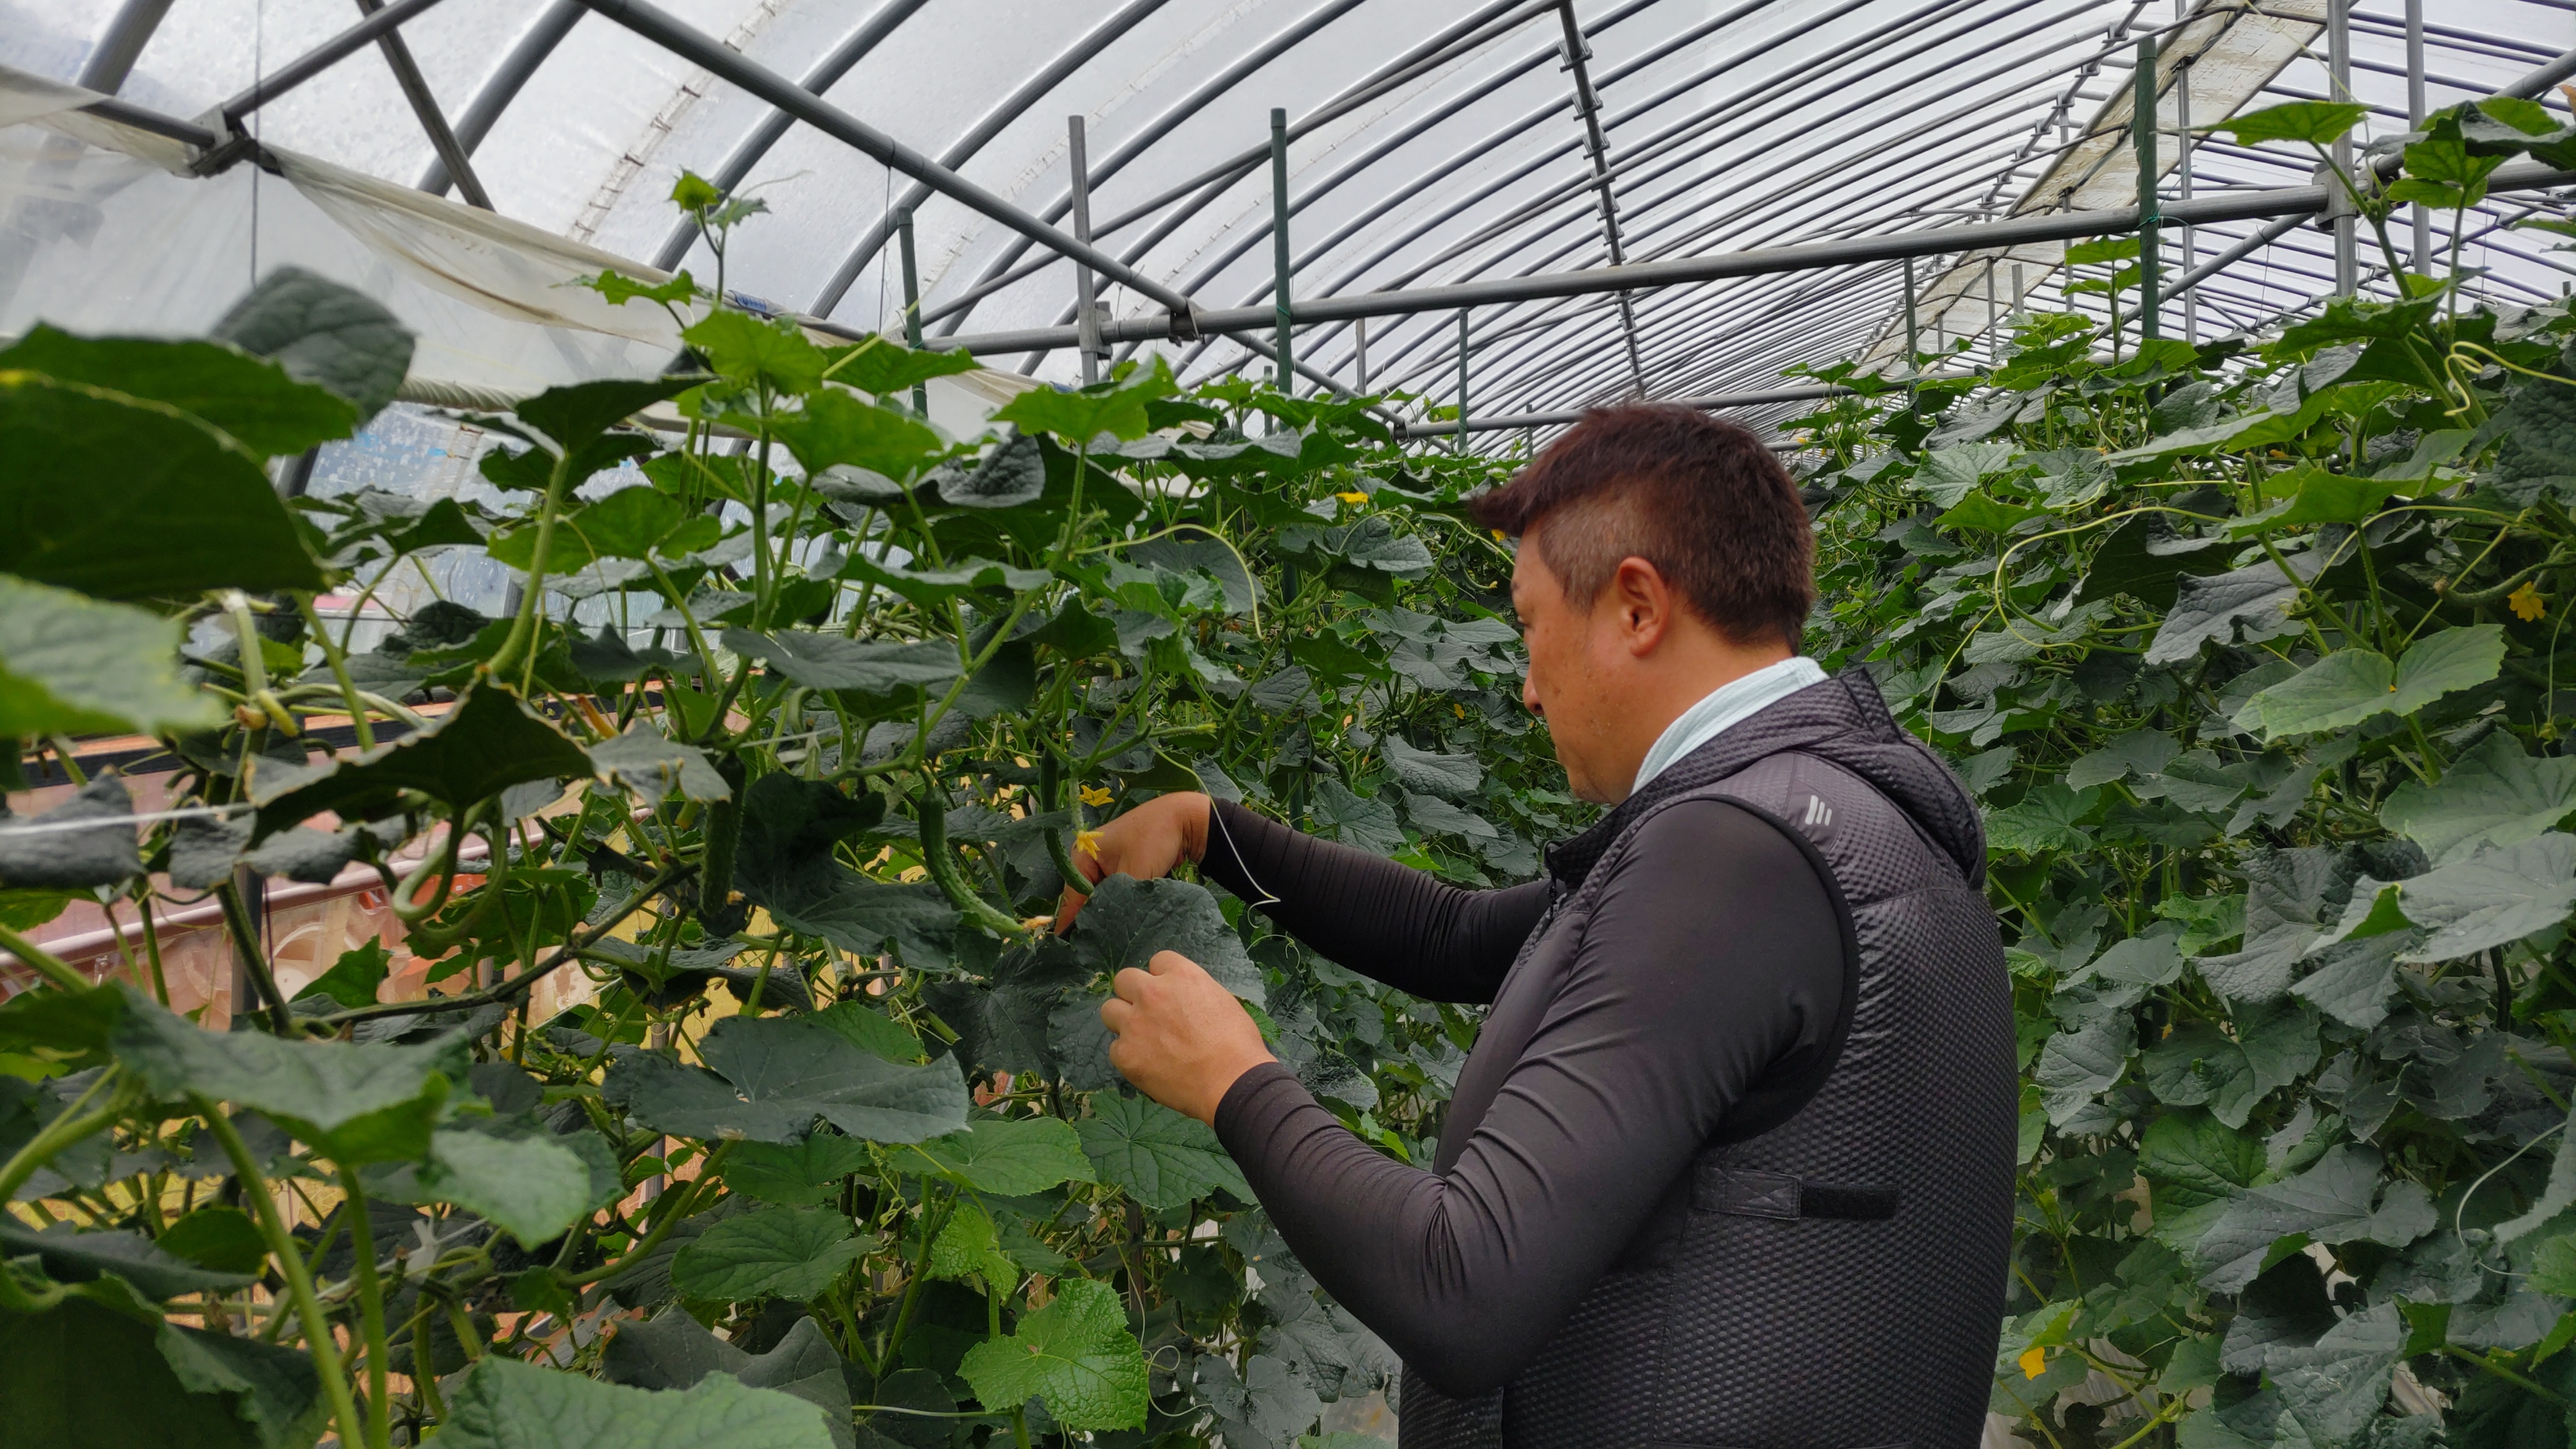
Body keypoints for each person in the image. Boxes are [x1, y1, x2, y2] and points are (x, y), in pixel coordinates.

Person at [1061, 404, 2013, 1449]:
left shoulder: (1735, 862)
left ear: (1637, 607)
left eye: (1529, 624)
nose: (1526, 687)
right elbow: (1458, 936)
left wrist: (1232, 1078)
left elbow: (1463, 1284)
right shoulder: (1826, 816)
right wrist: (1206, 829)